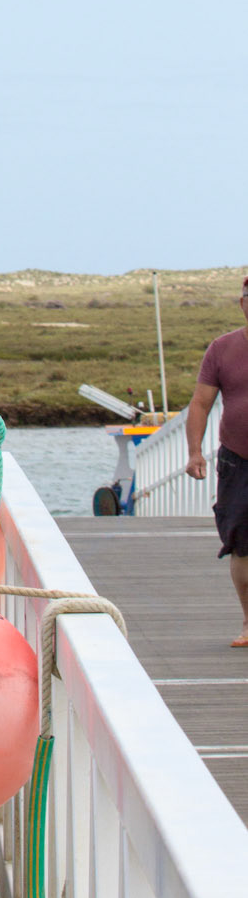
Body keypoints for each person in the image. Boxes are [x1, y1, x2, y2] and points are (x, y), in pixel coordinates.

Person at [186, 278, 248, 648]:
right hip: (237, 461)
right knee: (240, 542)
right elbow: (201, 404)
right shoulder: (222, 349)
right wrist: (195, 452)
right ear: (241, 304)